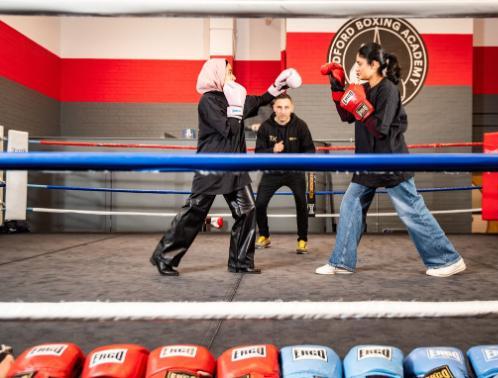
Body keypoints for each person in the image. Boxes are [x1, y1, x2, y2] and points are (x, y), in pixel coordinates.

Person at [316, 43, 466, 277]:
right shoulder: (364, 88)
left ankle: (447, 259)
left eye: (359, 63)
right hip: (366, 162)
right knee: (350, 205)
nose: (356, 67)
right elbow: (347, 116)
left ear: (374, 65)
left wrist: (358, 104)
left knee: (411, 210)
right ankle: (342, 261)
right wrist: (337, 89)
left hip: (391, 161)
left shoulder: (388, 90)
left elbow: (381, 129)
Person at [150, 59, 302, 276]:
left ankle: (240, 261)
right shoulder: (208, 101)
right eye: (229, 72)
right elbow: (227, 130)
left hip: (235, 166)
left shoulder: (233, 97)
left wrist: (277, 86)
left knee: (247, 211)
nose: (234, 77)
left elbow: (259, 101)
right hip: (211, 166)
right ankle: (164, 257)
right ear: (217, 75)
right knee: (194, 212)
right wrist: (236, 107)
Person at [254, 93, 315, 253]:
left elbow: (310, 152)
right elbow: (258, 154)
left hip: (294, 173)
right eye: (279, 107)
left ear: (292, 108)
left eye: (286, 107)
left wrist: (298, 160)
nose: (282, 111)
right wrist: (272, 150)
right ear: (273, 108)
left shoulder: (301, 126)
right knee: (259, 204)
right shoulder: (265, 127)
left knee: (302, 204)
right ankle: (264, 236)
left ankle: (302, 240)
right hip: (272, 172)